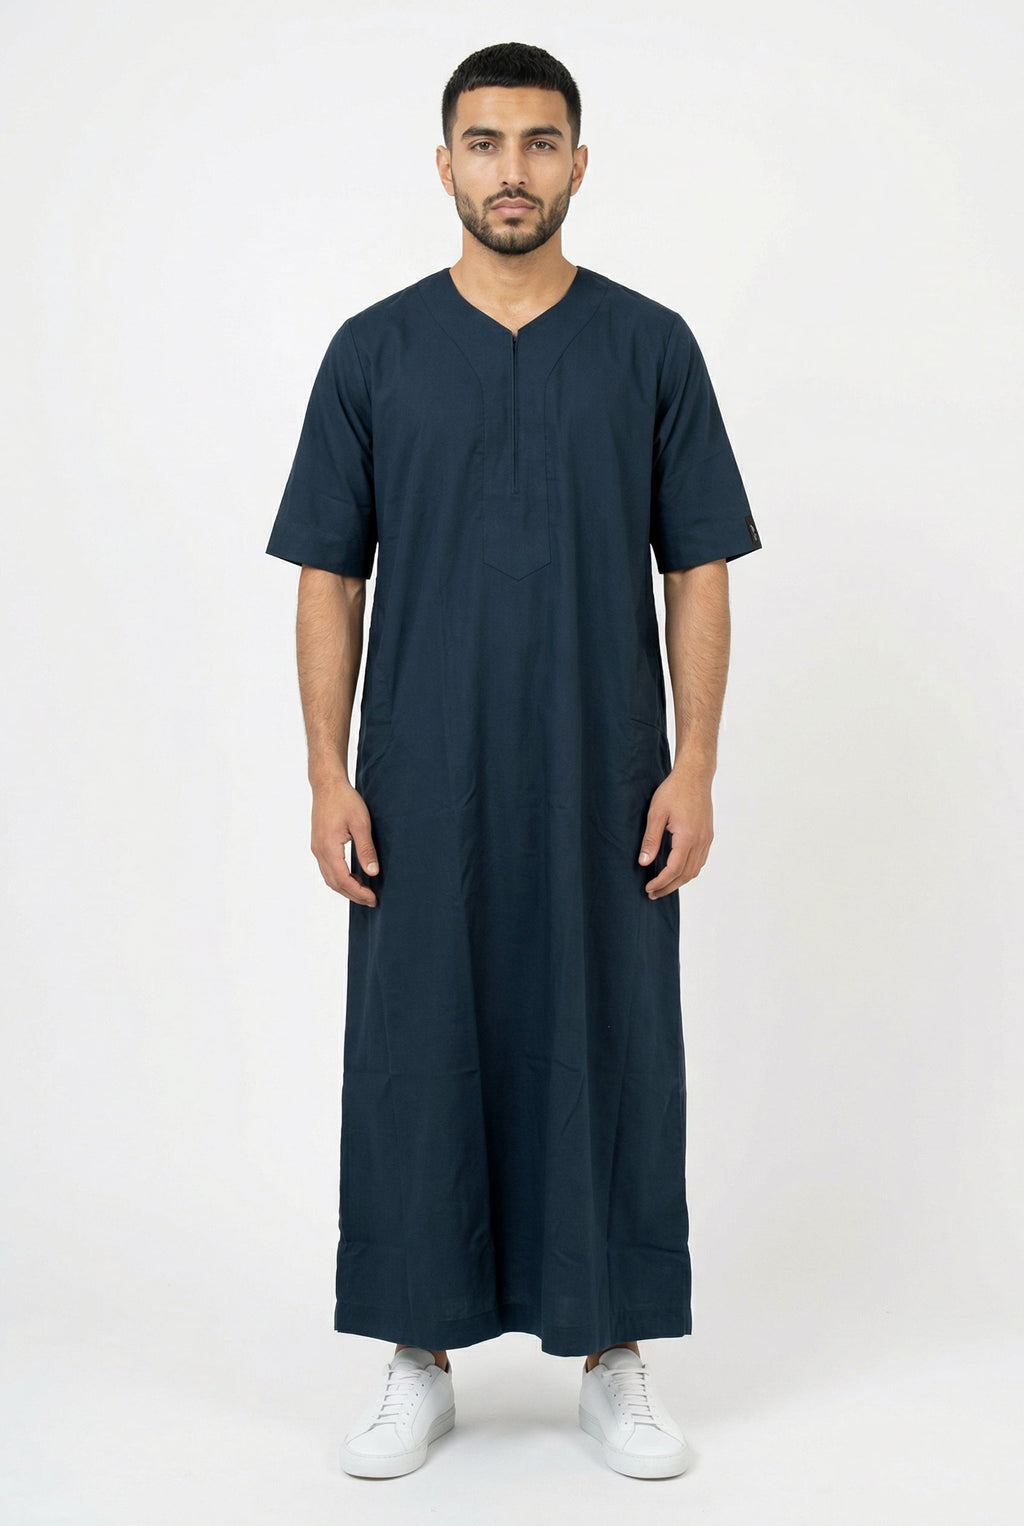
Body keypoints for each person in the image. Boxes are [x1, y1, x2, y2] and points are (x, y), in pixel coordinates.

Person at [265, 40, 762, 1481]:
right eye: (484, 143)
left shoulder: (650, 347)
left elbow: (700, 565)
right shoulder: (374, 352)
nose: (512, 170)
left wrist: (695, 763)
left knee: (612, 1039)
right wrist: (327, 773)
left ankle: (615, 1353)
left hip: (605, 775)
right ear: (444, 165)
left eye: (540, 143)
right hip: (422, 779)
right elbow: (327, 575)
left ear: (579, 164)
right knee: (417, 1045)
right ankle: (415, 1354)